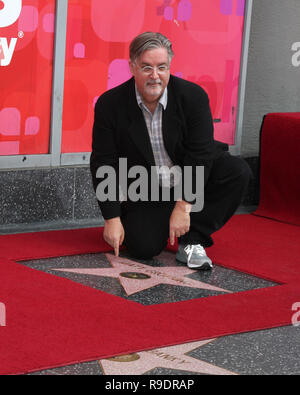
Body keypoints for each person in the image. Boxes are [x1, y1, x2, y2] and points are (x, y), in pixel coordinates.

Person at [90, 32, 251, 270]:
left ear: (169, 67)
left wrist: (184, 205)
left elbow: (201, 154)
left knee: (237, 171)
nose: (155, 76)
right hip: (146, 186)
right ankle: (147, 220)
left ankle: (193, 239)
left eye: (161, 67)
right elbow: (104, 162)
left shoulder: (193, 97)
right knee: (142, 247)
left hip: (190, 175)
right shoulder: (109, 104)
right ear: (132, 67)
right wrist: (111, 218)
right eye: (146, 67)